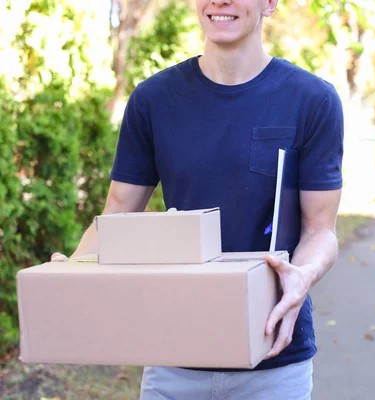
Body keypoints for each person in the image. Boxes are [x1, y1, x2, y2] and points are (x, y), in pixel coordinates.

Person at [51, 0, 343, 398]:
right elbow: (118, 213)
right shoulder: (153, 99)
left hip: (274, 359)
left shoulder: (312, 100)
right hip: (174, 358)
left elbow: (320, 230)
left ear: (270, 3)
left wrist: (303, 276)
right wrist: (72, 273)